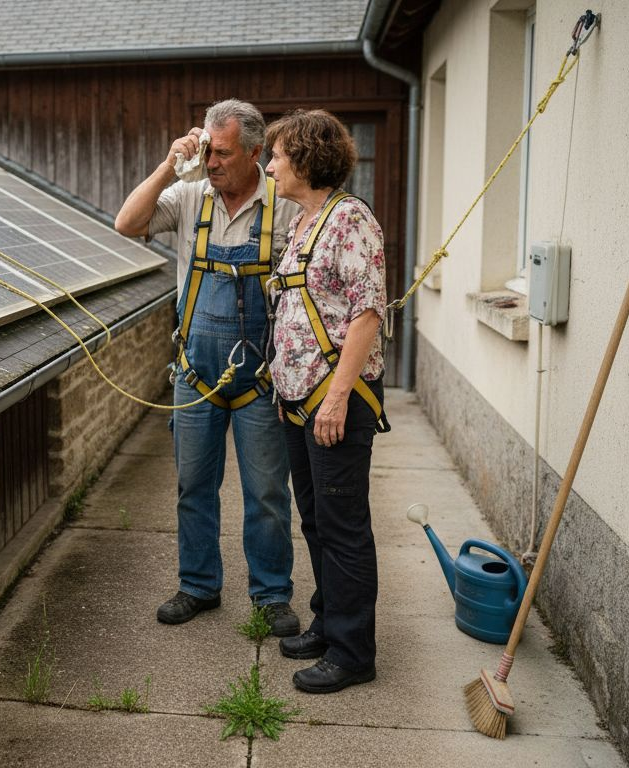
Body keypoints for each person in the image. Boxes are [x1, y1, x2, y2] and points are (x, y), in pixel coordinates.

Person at [115, 99, 300, 636]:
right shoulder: (190, 196)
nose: (212, 162)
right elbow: (127, 222)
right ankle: (198, 585)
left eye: (222, 153)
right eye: (207, 151)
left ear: (254, 153)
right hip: (195, 375)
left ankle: (271, 595)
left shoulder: (284, 205)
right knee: (193, 487)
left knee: (267, 492)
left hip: (260, 381)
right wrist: (170, 163)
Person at [264, 109, 389, 693]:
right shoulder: (302, 222)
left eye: (278, 156)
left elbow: (367, 316)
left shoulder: (350, 221)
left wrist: (336, 398)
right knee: (314, 520)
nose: (270, 165)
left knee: (343, 527)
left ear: (307, 159)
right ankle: (327, 620)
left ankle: (352, 652)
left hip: (335, 401)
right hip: (297, 401)